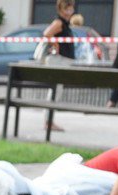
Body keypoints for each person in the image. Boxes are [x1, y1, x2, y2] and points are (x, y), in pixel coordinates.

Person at [41, 0, 78, 132]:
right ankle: (48, 121)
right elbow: (46, 33)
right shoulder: (59, 22)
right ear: (61, 10)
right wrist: (55, 44)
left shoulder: (64, 23)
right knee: (55, 91)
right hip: (59, 60)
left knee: (56, 91)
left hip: (62, 60)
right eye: (67, 9)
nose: (69, 12)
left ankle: (49, 121)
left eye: (71, 9)